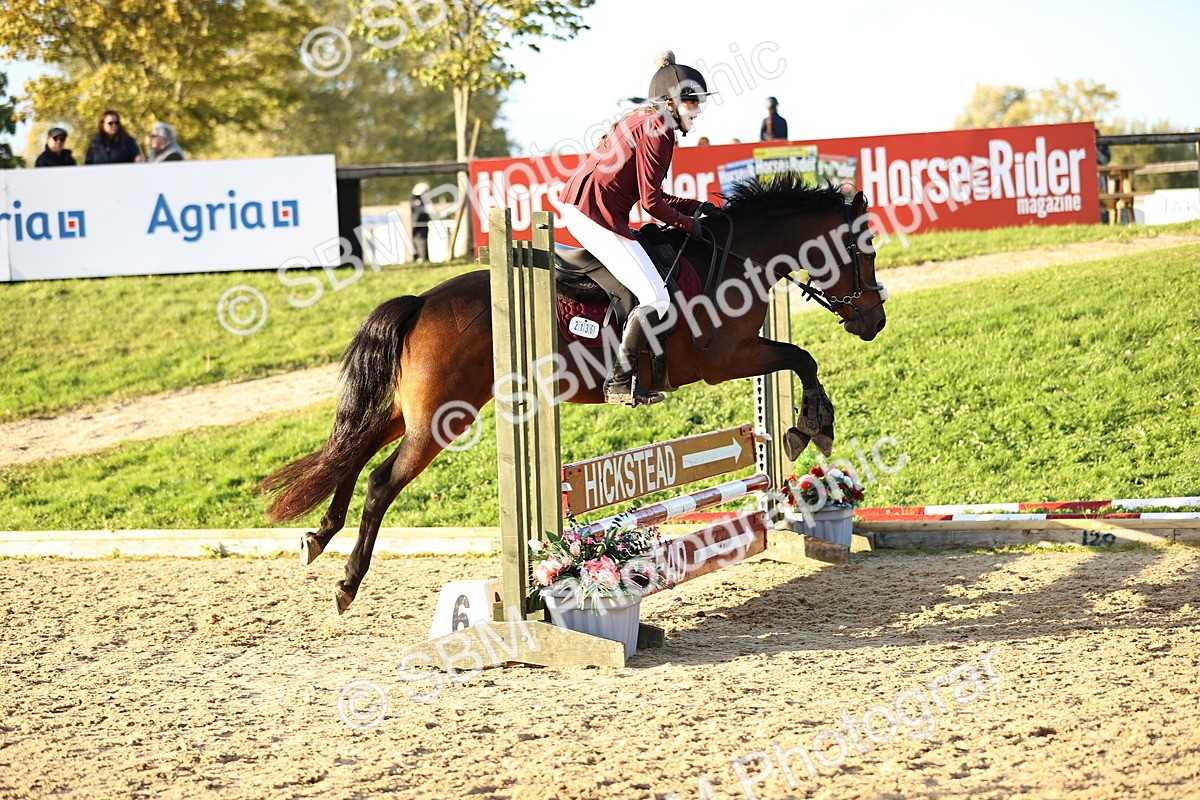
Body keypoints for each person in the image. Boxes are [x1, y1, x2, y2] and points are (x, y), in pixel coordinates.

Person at [559, 50, 720, 407]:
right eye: (691, 100)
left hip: (589, 208)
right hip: (593, 214)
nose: (697, 109)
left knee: (651, 290)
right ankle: (618, 381)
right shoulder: (658, 129)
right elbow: (651, 204)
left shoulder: (650, 121)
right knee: (656, 296)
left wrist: (697, 207)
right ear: (671, 100)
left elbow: (653, 197)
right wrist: (688, 224)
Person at [410, 182, 431, 262]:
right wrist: (413, 228)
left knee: (422, 243)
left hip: (421, 226)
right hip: (418, 227)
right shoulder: (416, 200)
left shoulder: (422, 200)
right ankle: (422, 258)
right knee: (420, 242)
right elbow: (417, 215)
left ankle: (424, 259)